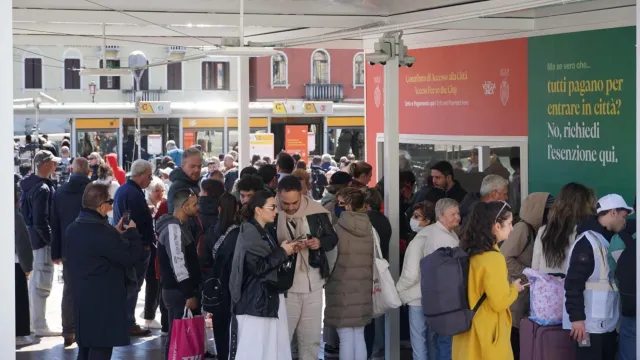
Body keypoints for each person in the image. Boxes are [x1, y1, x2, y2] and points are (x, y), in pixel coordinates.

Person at [65, 183, 142, 360]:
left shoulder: (73, 228)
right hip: (104, 301)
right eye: (110, 201)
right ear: (101, 206)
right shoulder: (103, 232)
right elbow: (130, 257)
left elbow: (95, 250)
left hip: (82, 300)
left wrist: (114, 234)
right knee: (100, 349)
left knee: (85, 349)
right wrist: (133, 233)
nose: (112, 205)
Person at [228, 191, 300, 360]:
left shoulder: (261, 230)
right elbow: (258, 268)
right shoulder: (251, 232)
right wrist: (283, 252)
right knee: (257, 351)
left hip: (263, 300)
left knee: (267, 350)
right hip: (256, 302)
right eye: (272, 207)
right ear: (258, 210)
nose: (276, 211)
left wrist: (284, 251)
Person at [275, 176, 338, 360]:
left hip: (313, 281)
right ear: (278, 196)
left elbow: (332, 239)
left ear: (302, 194)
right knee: (283, 339)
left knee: (310, 339)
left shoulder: (316, 212)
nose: (291, 207)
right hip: (286, 285)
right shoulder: (271, 212)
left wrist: (319, 242)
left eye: (295, 202)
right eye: (286, 203)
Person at [452, 201, 524, 360]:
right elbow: (499, 302)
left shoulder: (468, 250)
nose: (512, 228)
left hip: (465, 330)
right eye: (510, 223)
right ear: (497, 226)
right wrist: (514, 289)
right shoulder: (493, 258)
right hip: (487, 333)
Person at [563, 194, 631, 360]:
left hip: (606, 325)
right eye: (623, 216)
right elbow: (573, 284)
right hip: (588, 326)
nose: (625, 221)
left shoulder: (606, 240)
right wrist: (577, 318)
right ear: (613, 212)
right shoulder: (587, 242)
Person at [398, 199, 461, 360]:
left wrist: (399, 292)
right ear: (440, 216)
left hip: (418, 296)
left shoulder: (427, 237)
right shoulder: (443, 236)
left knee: (420, 341)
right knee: (435, 341)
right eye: (453, 214)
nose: (458, 217)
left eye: (417, 216)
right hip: (434, 298)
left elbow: (410, 273)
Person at [499, 192, 553, 358]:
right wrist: (528, 274)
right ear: (540, 211)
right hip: (515, 298)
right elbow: (504, 257)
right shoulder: (523, 228)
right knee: (514, 344)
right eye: (550, 210)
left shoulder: (535, 230)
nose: (552, 215)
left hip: (522, 295)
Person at [324, 187, 374, 360]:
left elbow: (330, 263)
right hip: (363, 288)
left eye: (340, 203)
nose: (336, 206)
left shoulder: (336, 230)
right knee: (359, 335)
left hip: (341, 288)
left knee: (345, 337)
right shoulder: (370, 228)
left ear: (348, 206)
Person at [156, 189, 202, 360]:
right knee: (176, 338)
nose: (198, 208)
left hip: (179, 291)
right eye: (195, 204)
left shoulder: (180, 226)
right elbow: (178, 263)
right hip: (178, 292)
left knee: (178, 337)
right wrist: (188, 293)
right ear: (184, 206)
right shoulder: (173, 228)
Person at [50, 157, 91, 346]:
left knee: (69, 290)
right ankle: (88, 329)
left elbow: (55, 224)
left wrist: (55, 252)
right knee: (93, 288)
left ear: (72, 170)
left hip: (68, 248)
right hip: (92, 247)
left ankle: (68, 331)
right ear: (87, 171)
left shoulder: (60, 192)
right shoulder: (93, 190)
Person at [20, 149, 61, 337]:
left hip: (32, 241)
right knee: (41, 284)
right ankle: (39, 325)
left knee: (36, 283)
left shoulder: (29, 185)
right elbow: (41, 221)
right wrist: (52, 242)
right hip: (41, 243)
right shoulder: (43, 189)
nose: (56, 165)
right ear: (45, 164)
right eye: (53, 162)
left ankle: (34, 322)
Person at [112, 159, 155, 337]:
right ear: (140, 174)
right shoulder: (133, 194)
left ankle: (125, 320)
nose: (151, 179)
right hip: (136, 246)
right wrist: (143, 242)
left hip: (130, 244)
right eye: (149, 175)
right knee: (133, 285)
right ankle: (128, 322)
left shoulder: (125, 189)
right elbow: (132, 221)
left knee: (131, 285)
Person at [203, 192, 241, 360]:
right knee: (236, 328)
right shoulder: (241, 232)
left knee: (219, 328)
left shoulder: (210, 231)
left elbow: (204, 259)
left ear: (218, 209)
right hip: (235, 285)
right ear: (237, 208)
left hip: (216, 285)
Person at [532, 183, 596, 274]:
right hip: (573, 286)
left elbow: (535, 267)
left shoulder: (544, 230)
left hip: (546, 286)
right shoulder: (585, 233)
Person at [15, 182, 35, 346]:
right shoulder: (16, 217)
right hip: (16, 264)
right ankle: (20, 332)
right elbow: (22, 244)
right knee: (20, 299)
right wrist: (27, 267)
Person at [168, 147, 203, 213]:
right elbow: (174, 214)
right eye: (192, 166)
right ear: (183, 166)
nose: (197, 170)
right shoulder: (177, 187)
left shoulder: (198, 182)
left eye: (199, 166)